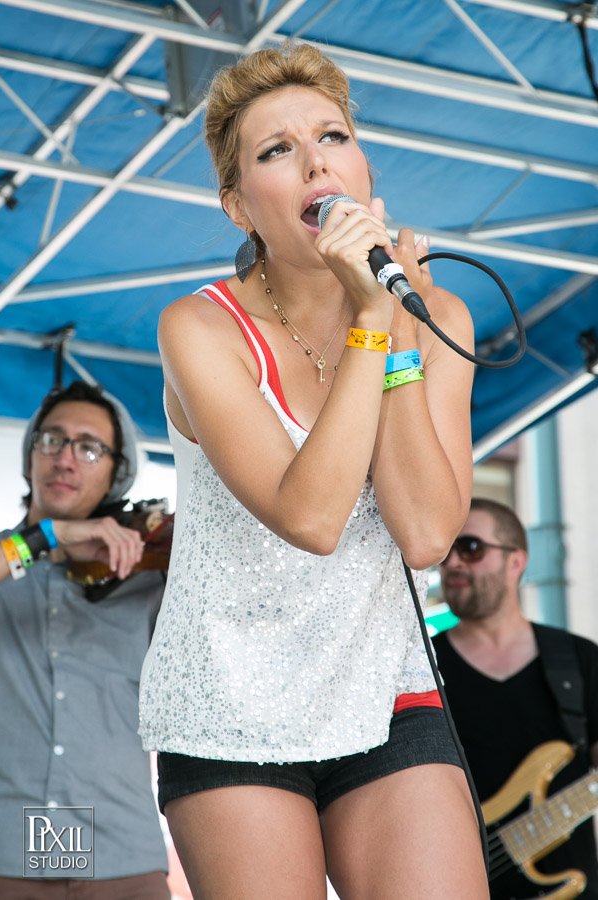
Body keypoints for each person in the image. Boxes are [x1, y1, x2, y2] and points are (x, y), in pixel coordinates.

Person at [139, 42, 488, 900]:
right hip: (229, 702)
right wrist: (373, 321)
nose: (315, 159)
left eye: (331, 135)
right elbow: (314, 518)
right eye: (276, 150)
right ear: (238, 209)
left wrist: (394, 326)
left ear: (364, 167)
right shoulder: (199, 329)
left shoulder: (433, 312)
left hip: (383, 684)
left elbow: (425, 534)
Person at [0, 380, 170, 899]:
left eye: (89, 447)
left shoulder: (147, 574)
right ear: (31, 454)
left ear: (117, 473)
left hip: (123, 858)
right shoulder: (6, 565)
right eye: (52, 440)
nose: (66, 459)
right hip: (7, 856)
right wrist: (48, 535)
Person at [434, 497, 598, 900]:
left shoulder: (578, 659)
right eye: (444, 550)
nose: (453, 562)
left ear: (516, 562)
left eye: (470, 548)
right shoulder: (420, 668)